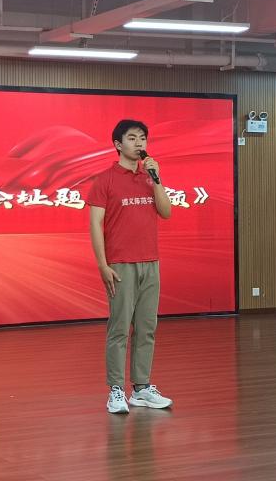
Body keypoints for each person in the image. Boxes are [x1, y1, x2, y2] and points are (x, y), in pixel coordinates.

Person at [88, 119, 173, 414]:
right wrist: (103, 265)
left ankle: (141, 388)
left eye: (143, 139)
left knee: (147, 328)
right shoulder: (105, 180)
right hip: (120, 265)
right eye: (133, 138)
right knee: (120, 329)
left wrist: (157, 180)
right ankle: (116, 389)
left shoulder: (149, 177)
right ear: (118, 144)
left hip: (151, 262)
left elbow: (166, 212)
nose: (139, 144)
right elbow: (95, 225)